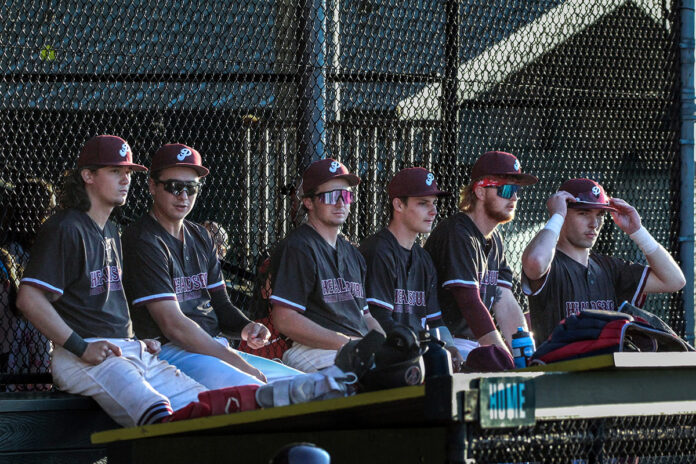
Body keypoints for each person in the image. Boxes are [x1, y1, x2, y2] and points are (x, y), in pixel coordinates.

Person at [15, 135, 207, 427]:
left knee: (206, 405)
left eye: (128, 173)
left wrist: (136, 341)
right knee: (158, 415)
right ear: (88, 176)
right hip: (84, 356)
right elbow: (28, 298)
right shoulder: (65, 227)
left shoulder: (111, 230)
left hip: (125, 351)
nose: (125, 179)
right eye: (115, 171)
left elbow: (106, 305)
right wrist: (81, 347)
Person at [122, 143, 301, 389]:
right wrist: (238, 362)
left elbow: (221, 305)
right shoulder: (143, 239)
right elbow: (174, 327)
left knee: (302, 384)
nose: (183, 196)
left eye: (191, 188)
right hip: (169, 351)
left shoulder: (200, 235)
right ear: (152, 186)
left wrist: (245, 327)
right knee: (257, 389)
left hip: (213, 347)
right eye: (174, 186)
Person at [521, 178, 686, 343]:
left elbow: (674, 281)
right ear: (564, 214)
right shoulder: (551, 264)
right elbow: (536, 262)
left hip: (607, 366)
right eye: (583, 213)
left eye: (600, 214)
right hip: (561, 366)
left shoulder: (609, 267)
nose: (594, 223)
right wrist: (557, 215)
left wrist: (637, 231)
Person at [269, 158, 385, 372]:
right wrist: (347, 343)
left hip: (355, 348)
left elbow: (366, 316)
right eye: (331, 196)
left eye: (346, 195)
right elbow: (284, 319)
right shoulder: (299, 247)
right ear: (309, 202)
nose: (341, 203)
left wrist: (384, 345)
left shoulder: (353, 254)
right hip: (313, 349)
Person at [424, 151, 537, 360]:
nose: (514, 197)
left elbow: (505, 304)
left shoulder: (494, 239)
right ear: (480, 191)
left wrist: (525, 355)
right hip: (445, 342)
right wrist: (506, 359)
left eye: (517, 190)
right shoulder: (458, 233)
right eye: (505, 189)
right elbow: (470, 303)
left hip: (474, 343)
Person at [358, 167, 463, 367]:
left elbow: (435, 320)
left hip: (415, 350)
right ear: (398, 204)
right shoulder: (378, 251)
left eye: (434, 204)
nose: (433, 211)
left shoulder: (424, 259)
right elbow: (378, 319)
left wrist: (449, 347)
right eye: (423, 204)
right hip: (386, 352)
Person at [0, 178, 57, 391]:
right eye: (48, 210)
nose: (52, 216)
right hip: (19, 324)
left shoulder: (43, 247)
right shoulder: (13, 250)